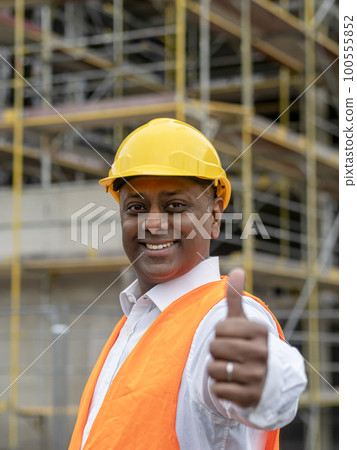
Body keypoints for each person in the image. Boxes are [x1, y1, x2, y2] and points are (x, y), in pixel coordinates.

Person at [69, 118, 307, 450]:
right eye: (136, 208)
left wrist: (265, 381)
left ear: (214, 217)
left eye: (175, 206)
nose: (152, 224)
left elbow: (271, 386)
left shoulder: (219, 317)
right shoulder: (135, 320)